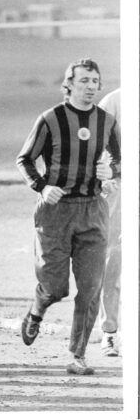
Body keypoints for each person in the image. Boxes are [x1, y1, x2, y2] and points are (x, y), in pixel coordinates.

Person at [16, 58, 120, 376]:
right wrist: (42, 187)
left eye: (94, 81)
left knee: (90, 287)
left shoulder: (106, 121)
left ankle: (77, 355)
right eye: (84, 81)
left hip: (93, 208)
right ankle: (37, 309)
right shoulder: (50, 119)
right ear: (69, 84)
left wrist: (111, 171)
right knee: (54, 287)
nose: (90, 87)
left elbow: (119, 160)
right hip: (56, 211)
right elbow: (25, 159)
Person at [97, 87, 121, 357]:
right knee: (114, 260)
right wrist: (107, 176)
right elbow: (97, 146)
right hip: (121, 189)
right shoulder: (114, 101)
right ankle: (110, 332)